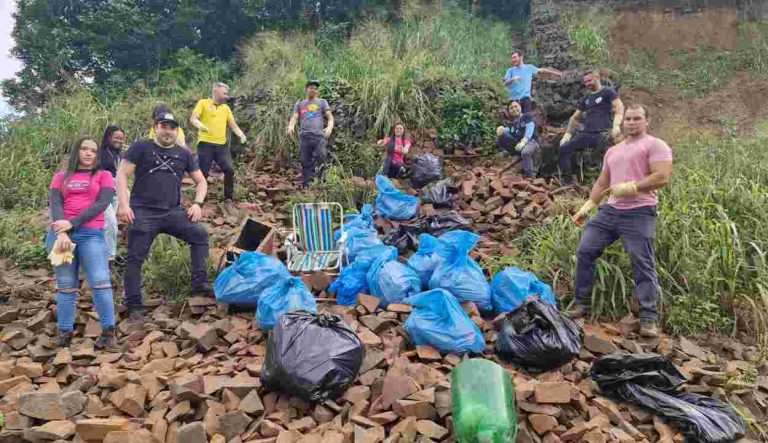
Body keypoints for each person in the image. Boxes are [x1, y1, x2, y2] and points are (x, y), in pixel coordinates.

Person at [569, 105, 673, 338]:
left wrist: (633, 187)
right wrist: (587, 207)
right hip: (610, 211)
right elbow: (602, 182)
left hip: (639, 211)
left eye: (637, 118)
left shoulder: (655, 145)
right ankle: (581, 304)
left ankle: (648, 318)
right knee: (585, 250)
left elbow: (663, 176)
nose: (632, 122)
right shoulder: (613, 151)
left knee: (642, 261)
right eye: (628, 119)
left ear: (647, 121)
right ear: (622, 121)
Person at [117, 110, 212, 321]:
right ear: (156, 128)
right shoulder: (141, 147)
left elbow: (201, 181)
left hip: (172, 212)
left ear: (177, 131)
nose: (168, 131)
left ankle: (199, 284)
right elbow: (122, 174)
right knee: (135, 257)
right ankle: (133, 303)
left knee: (199, 235)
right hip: (143, 211)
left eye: (172, 128)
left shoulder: (184, 154)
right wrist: (123, 205)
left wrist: (197, 204)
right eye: (163, 127)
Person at [47, 137, 117, 349]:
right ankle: (64, 334)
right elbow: (56, 204)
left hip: (91, 235)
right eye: (84, 149)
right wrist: (62, 231)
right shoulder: (60, 177)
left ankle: (109, 333)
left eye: (93, 151)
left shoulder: (104, 175)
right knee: (66, 285)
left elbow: (102, 204)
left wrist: (72, 223)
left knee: (100, 282)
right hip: (60, 236)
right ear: (76, 151)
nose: (89, 153)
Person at [558, 69, 625, 186]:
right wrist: (567, 134)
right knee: (564, 149)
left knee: (606, 157)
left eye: (589, 80)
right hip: (587, 134)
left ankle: (610, 184)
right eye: (585, 82)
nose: (587, 84)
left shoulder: (607, 92)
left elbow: (619, 106)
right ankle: (568, 181)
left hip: (603, 134)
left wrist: (616, 125)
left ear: (597, 78)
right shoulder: (587, 98)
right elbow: (574, 117)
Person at [190, 83, 247, 209]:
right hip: (205, 143)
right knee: (203, 172)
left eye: (227, 93)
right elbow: (193, 119)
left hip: (221, 145)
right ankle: (200, 198)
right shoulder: (203, 103)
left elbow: (233, 125)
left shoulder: (225, 108)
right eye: (224, 93)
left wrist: (241, 134)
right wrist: (200, 125)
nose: (226, 95)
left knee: (229, 169)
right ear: (216, 91)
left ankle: (228, 198)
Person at [285, 79, 335, 187]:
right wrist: (290, 126)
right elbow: (295, 117)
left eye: (315, 89)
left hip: (318, 137)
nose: (313, 90)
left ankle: (322, 184)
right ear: (306, 89)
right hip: (305, 137)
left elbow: (330, 117)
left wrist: (329, 127)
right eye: (311, 88)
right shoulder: (300, 104)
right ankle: (307, 185)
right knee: (305, 161)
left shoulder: (322, 102)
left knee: (321, 157)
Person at [495, 100, 540, 178]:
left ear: (520, 107)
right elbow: (510, 131)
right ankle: (510, 153)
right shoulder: (513, 123)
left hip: (531, 141)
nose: (514, 109)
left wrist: (524, 141)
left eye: (516, 106)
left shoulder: (527, 117)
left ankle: (529, 177)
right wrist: (501, 129)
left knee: (525, 152)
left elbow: (530, 129)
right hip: (518, 143)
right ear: (509, 111)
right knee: (502, 133)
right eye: (511, 108)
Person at [100, 125, 125, 262]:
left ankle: (105, 251)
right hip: (102, 193)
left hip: (115, 193)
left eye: (121, 138)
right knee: (110, 222)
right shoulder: (100, 153)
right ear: (109, 137)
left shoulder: (119, 154)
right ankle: (109, 256)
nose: (119, 141)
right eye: (116, 138)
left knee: (108, 223)